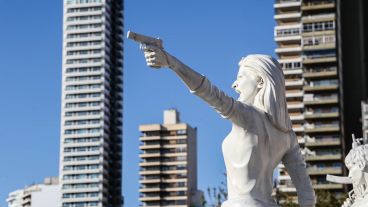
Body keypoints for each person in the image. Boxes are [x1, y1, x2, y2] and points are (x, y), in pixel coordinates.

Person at [140, 45, 316, 207]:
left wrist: (172, 63)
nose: (235, 84)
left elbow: (208, 92)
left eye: (241, 77)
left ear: (260, 82)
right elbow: (307, 194)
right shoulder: (287, 136)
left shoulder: (248, 116)